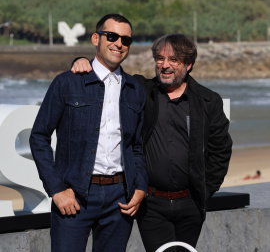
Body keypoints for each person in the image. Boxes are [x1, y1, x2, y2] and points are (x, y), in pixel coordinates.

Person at [71, 33, 233, 252]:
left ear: (188, 65)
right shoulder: (140, 90)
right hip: (152, 204)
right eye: (160, 58)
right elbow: (108, 75)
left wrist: (204, 192)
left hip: (191, 203)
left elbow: (221, 150)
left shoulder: (208, 101)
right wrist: (81, 61)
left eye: (173, 60)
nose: (165, 65)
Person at [29, 14, 147, 252]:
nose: (119, 44)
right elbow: (39, 136)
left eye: (126, 40)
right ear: (96, 38)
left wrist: (141, 187)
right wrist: (56, 190)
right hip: (75, 195)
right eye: (111, 36)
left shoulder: (136, 90)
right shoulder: (67, 83)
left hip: (120, 198)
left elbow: (137, 146)